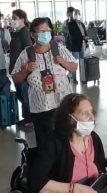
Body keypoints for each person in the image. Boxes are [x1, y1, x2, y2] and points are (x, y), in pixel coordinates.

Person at [12, 17, 78, 146]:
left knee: (65, 140)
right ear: (32, 35)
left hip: (62, 104)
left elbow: (74, 66)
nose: (46, 34)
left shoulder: (59, 48)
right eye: (42, 31)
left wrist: (63, 62)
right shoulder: (26, 54)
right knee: (45, 143)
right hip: (40, 108)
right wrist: (26, 70)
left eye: (48, 30)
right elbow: (15, 78)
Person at [10, 9, 33, 128]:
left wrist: (25, 68)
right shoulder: (15, 32)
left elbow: (28, 49)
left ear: (22, 20)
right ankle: (27, 116)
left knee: (25, 94)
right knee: (20, 93)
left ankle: (29, 119)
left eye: (15, 18)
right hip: (15, 68)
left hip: (22, 69)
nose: (12, 20)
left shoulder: (24, 32)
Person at [65, 8, 87, 83]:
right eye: (76, 13)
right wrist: (82, 37)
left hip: (82, 45)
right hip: (75, 45)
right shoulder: (70, 24)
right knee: (74, 62)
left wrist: (86, 39)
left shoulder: (82, 24)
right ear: (73, 15)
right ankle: (73, 77)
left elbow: (85, 32)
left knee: (82, 61)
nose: (77, 15)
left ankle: (83, 78)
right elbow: (73, 35)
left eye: (78, 13)